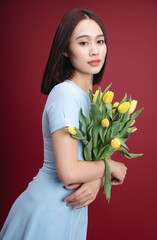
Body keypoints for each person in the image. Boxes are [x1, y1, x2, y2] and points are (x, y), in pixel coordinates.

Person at [0, 8, 127, 240]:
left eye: (100, 41)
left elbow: (84, 161)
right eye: (83, 43)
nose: (94, 50)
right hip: (49, 210)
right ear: (66, 50)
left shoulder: (91, 98)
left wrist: (98, 179)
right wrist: (110, 167)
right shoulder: (66, 94)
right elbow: (68, 171)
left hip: (70, 208)